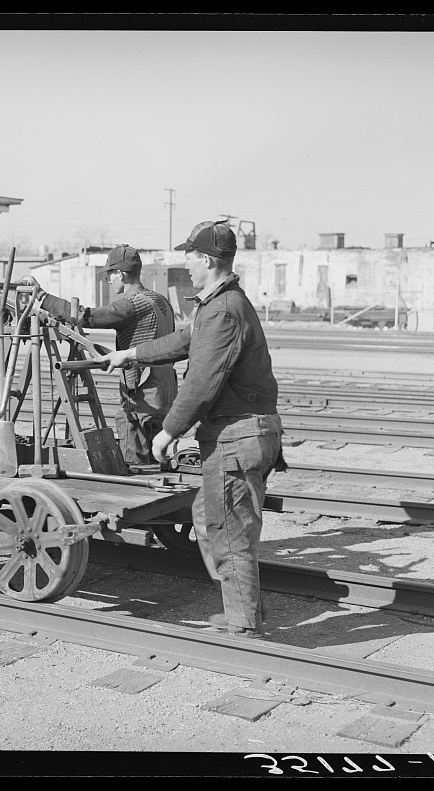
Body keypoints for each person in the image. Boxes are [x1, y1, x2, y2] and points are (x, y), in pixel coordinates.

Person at [95, 220, 286, 638]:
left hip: (238, 434)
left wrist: (168, 432)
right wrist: (130, 354)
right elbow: (184, 342)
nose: (187, 266)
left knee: (227, 528)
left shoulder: (222, 309)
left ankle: (244, 628)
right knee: (209, 514)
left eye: (189, 257)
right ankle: (247, 607)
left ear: (205, 259)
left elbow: (201, 382)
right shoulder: (221, 304)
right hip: (246, 431)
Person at [22, 244, 178, 466]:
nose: (109, 280)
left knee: (134, 453)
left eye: (110, 275)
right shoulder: (161, 301)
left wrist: (42, 297)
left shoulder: (132, 304)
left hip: (143, 393)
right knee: (157, 453)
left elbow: (87, 317)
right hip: (166, 390)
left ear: (121, 274)